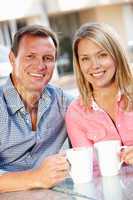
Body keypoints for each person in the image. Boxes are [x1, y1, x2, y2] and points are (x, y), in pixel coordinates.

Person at [0, 25, 72, 192]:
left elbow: (100, 112)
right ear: (12, 58)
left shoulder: (63, 102)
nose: (40, 66)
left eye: (47, 58)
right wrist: (36, 177)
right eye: (30, 56)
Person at [65, 22, 133, 165]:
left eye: (102, 55)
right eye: (85, 58)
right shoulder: (76, 112)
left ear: (116, 55)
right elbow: (89, 169)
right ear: (78, 64)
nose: (94, 65)